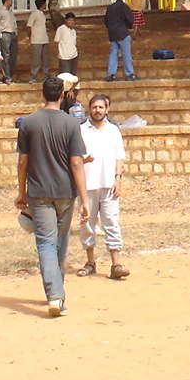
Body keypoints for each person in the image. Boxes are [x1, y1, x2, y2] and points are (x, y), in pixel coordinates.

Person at [16, 75, 90, 316]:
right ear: (62, 95)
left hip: (39, 192)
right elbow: (77, 163)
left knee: (46, 242)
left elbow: (22, 162)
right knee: (60, 241)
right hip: (65, 191)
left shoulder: (29, 123)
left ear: (43, 94)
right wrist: (84, 199)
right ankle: (57, 293)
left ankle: (55, 294)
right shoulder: (71, 124)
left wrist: (22, 193)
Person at [77, 93, 129, 280]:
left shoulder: (113, 130)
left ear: (107, 110)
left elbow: (119, 157)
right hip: (87, 185)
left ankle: (116, 264)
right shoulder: (81, 130)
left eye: (101, 107)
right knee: (87, 225)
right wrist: (84, 160)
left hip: (109, 185)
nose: (97, 110)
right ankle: (90, 262)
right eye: (94, 107)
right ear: (89, 110)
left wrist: (118, 179)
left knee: (111, 223)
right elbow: (75, 157)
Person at [104, 0, 138, 82]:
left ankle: (110, 74)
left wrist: (111, 29)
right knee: (126, 54)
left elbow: (106, 21)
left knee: (113, 53)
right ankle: (129, 74)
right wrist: (128, 27)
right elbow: (130, 20)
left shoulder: (110, 8)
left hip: (112, 34)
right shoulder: (124, 7)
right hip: (123, 33)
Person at [0, 0, 18, 84]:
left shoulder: (10, 12)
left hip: (13, 35)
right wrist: (1, 36)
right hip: (5, 35)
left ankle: (9, 75)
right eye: (11, 0)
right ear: (7, 1)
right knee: (6, 57)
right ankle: (7, 77)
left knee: (13, 57)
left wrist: (16, 33)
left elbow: (14, 23)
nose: (12, 2)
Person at [27, 0, 51, 82]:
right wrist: (30, 37)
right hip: (36, 40)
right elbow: (28, 26)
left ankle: (46, 76)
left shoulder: (42, 14)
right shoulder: (34, 14)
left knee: (46, 59)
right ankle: (33, 77)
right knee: (36, 60)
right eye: (45, 3)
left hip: (44, 40)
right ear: (42, 4)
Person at [54, 11, 79, 77]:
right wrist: (59, 53)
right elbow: (56, 42)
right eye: (69, 20)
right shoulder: (61, 29)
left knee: (73, 76)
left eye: (72, 20)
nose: (71, 22)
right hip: (64, 57)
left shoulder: (73, 31)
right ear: (66, 20)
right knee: (65, 76)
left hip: (74, 56)